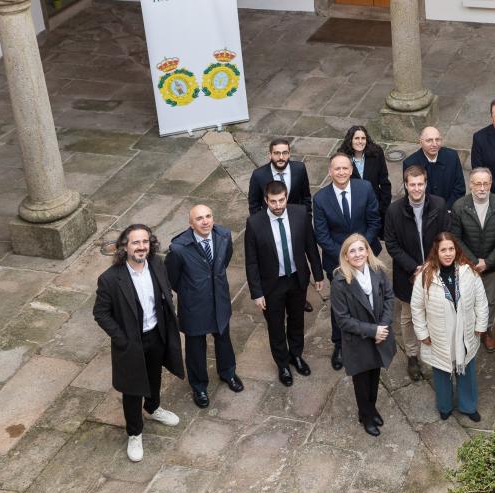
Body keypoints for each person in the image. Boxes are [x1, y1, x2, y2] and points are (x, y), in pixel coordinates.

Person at [93, 224, 184, 463]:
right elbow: (101, 313)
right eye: (135, 242)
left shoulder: (156, 264)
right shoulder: (110, 279)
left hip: (156, 334)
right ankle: (134, 433)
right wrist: (121, 338)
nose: (141, 246)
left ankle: (153, 408)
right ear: (125, 247)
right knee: (132, 389)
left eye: (145, 241)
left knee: (154, 376)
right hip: (131, 342)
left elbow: (166, 291)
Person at [245, 181, 324, 387]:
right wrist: (256, 292)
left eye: (281, 200)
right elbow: (251, 261)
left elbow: (310, 246)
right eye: (273, 201)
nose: (278, 205)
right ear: (266, 200)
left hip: (297, 279)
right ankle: (282, 364)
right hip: (271, 285)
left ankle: (296, 355)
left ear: (287, 197)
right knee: (276, 325)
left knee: (297, 320)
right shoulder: (254, 223)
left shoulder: (300, 214)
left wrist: (318, 275)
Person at [165, 204, 243, 408]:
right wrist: (193, 290)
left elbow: (223, 262)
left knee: (223, 339)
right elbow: (172, 278)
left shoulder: (223, 236)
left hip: (219, 300)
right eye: (199, 218)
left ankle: (228, 372)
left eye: (208, 216)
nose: (205, 221)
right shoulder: (179, 248)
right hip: (194, 305)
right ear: (191, 224)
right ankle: (199, 386)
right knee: (195, 348)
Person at [313, 152, 383, 371]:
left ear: (351, 170)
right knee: (340, 306)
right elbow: (322, 235)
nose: (341, 172)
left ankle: (372, 336)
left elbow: (374, 221)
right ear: (330, 171)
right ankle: (339, 344)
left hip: (366, 256)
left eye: (345, 168)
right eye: (337, 168)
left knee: (370, 299)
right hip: (336, 261)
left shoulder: (365, 188)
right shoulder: (320, 199)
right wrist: (347, 257)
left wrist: (360, 250)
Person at [411, 232, 489, 421]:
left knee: (467, 369)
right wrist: (422, 333)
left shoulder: (468, 271)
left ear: (456, 250)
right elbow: (417, 307)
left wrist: (481, 324)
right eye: (443, 250)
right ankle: (444, 405)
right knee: (441, 370)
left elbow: (481, 301)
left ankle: (468, 406)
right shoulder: (425, 275)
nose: (448, 254)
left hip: (465, 331)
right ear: (436, 252)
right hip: (439, 333)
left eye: (451, 249)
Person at [384, 165, 451, 381]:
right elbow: (392, 244)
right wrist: (415, 267)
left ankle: (438, 352)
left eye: (420, 184)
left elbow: (446, 236)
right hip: (408, 274)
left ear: (426, 183)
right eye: (412, 184)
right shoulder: (394, 211)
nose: (416, 188)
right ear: (405, 185)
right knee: (408, 317)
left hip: (436, 270)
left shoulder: (439, 205)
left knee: (437, 312)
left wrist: (432, 264)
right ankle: (412, 355)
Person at [329, 234, 396, 437]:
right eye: (352, 251)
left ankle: (371, 409)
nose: (357, 254)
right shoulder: (339, 282)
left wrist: (383, 326)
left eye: (361, 249)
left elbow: (389, 298)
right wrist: (373, 330)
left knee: (375, 375)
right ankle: (365, 416)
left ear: (367, 251)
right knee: (362, 382)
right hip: (358, 340)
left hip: (380, 335)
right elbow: (343, 320)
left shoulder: (378, 271)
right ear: (345, 256)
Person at [247, 138, 315, 312]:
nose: (281, 157)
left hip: (296, 227)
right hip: (271, 226)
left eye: (285, 153)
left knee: (298, 263)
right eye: (277, 153)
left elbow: (306, 196)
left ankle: (300, 298)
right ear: (270, 154)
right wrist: (261, 227)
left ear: (289, 153)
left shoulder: (299, 169)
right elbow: (254, 204)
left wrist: (305, 221)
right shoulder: (259, 175)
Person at [450, 167, 495, 352]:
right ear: (471, 185)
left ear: (491, 184)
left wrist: (488, 262)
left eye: (486, 184)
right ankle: (466, 331)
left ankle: (486, 330)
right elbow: (456, 238)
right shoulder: (459, 206)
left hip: (492, 265)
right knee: (466, 299)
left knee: (489, 301)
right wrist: (474, 261)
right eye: (478, 184)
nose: (482, 188)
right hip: (467, 265)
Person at [337, 125, 392, 236]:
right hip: (354, 209)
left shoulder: (376, 153)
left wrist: (383, 207)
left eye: (363, 138)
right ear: (350, 140)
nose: (360, 141)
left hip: (375, 206)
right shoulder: (343, 157)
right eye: (356, 138)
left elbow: (384, 182)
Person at [402, 126, 466, 208]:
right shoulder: (410, 164)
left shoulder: (452, 157)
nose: (434, 144)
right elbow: (412, 194)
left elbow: (460, 188)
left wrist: (446, 209)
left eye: (437, 140)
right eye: (429, 140)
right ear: (421, 142)